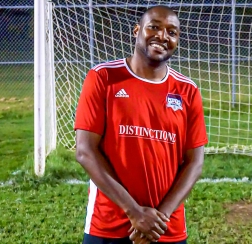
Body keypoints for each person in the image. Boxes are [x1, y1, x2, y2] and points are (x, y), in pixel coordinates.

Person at [74, 5, 208, 244]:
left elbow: (195, 162)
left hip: (165, 228)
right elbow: (85, 151)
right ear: (137, 30)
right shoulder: (103, 78)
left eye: (172, 32)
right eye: (154, 27)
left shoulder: (188, 90)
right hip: (109, 226)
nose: (162, 36)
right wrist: (133, 211)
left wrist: (160, 218)